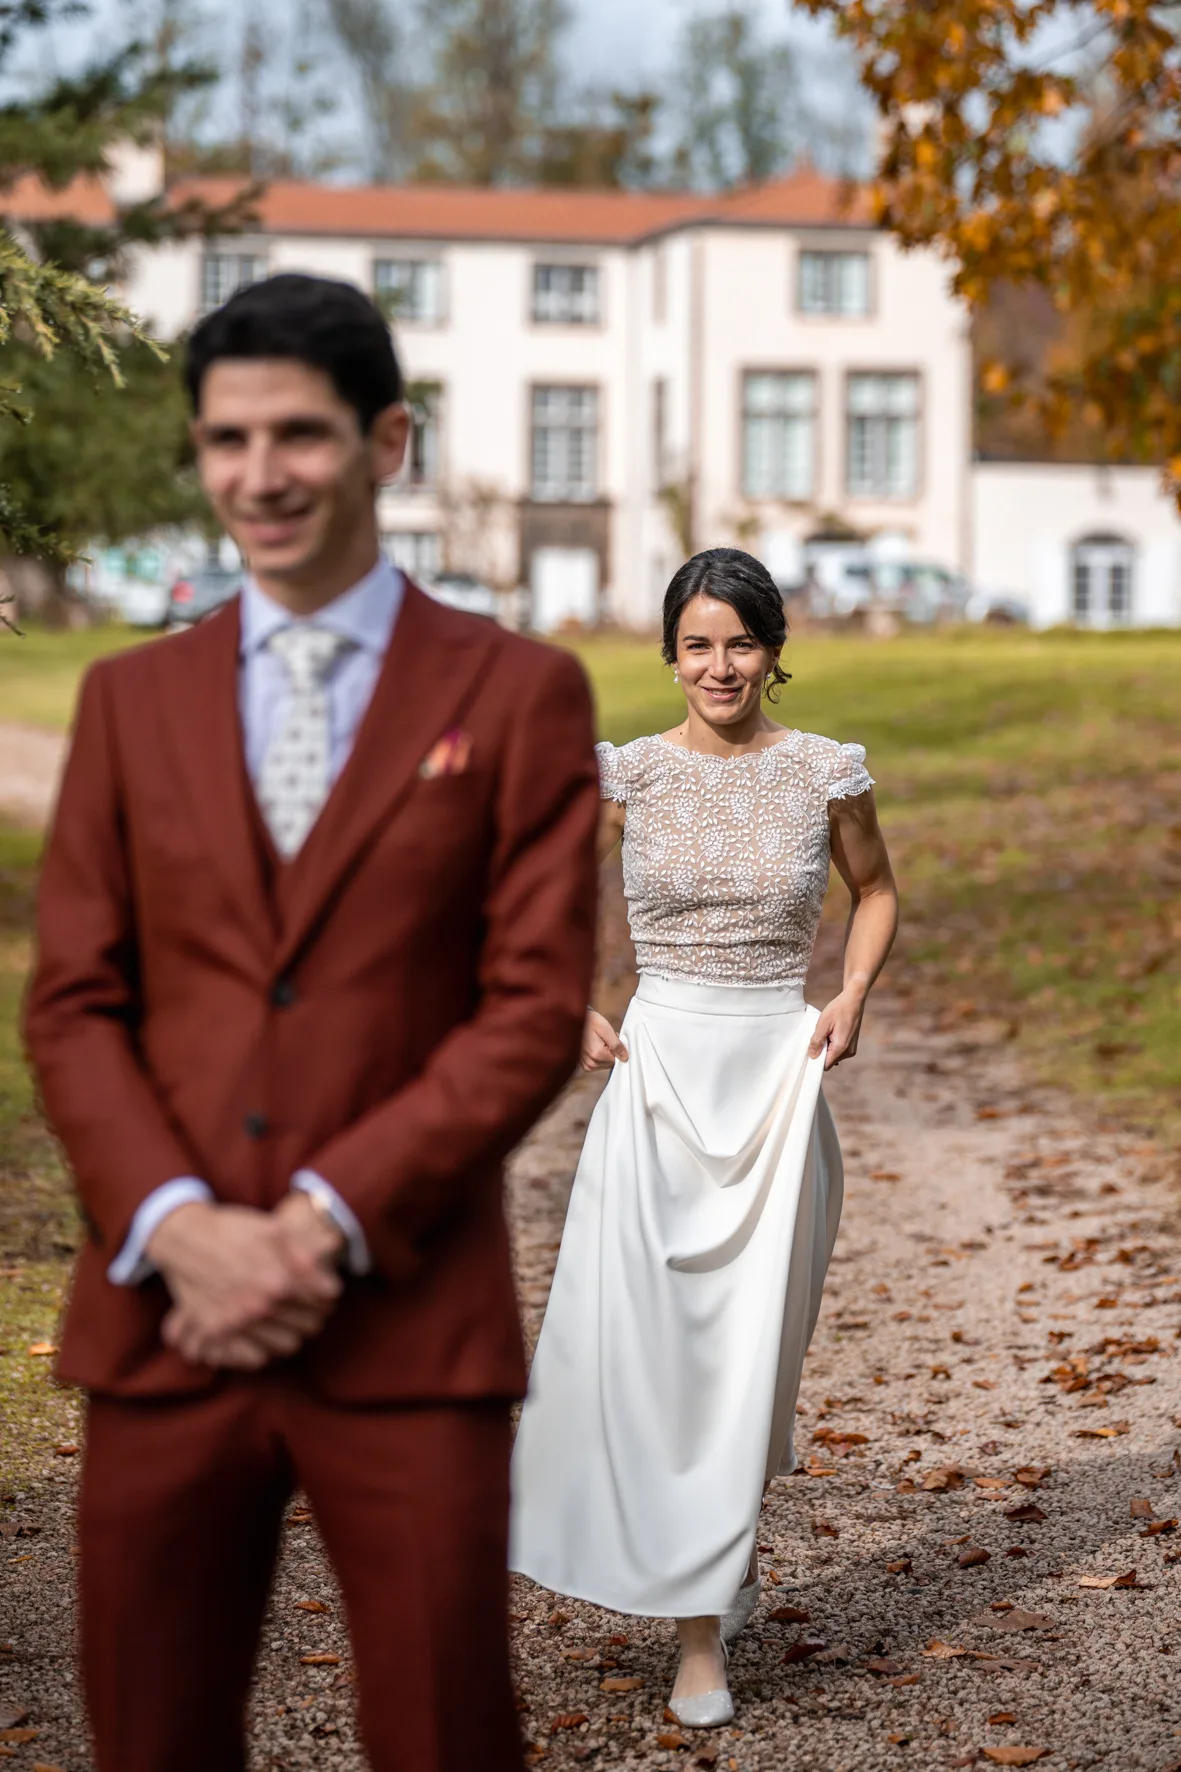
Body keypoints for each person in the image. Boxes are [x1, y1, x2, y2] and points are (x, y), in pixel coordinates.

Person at [23, 272, 601, 1772]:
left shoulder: (521, 695)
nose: (258, 474)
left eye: (300, 433)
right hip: (167, 1321)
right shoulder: (127, 702)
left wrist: (320, 1224)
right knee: (149, 1740)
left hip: (406, 1324)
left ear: (388, 442)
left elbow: (530, 1009)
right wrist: (182, 1225)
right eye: (226, 440)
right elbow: (76, 1004)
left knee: (445, 1736)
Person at [509, 547, 898, 1728]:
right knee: (663, 1357)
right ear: (669, 652)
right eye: (695, 643)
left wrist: (850, 993)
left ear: (772, 651)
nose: (717, 665)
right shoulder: (623, 776)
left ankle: (712, 1564)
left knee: (745, 1362)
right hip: (658, 1073)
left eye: (739, 642)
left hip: (775, 1082)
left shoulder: (824, 772)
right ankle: (695, 1637)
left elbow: (876, 889)